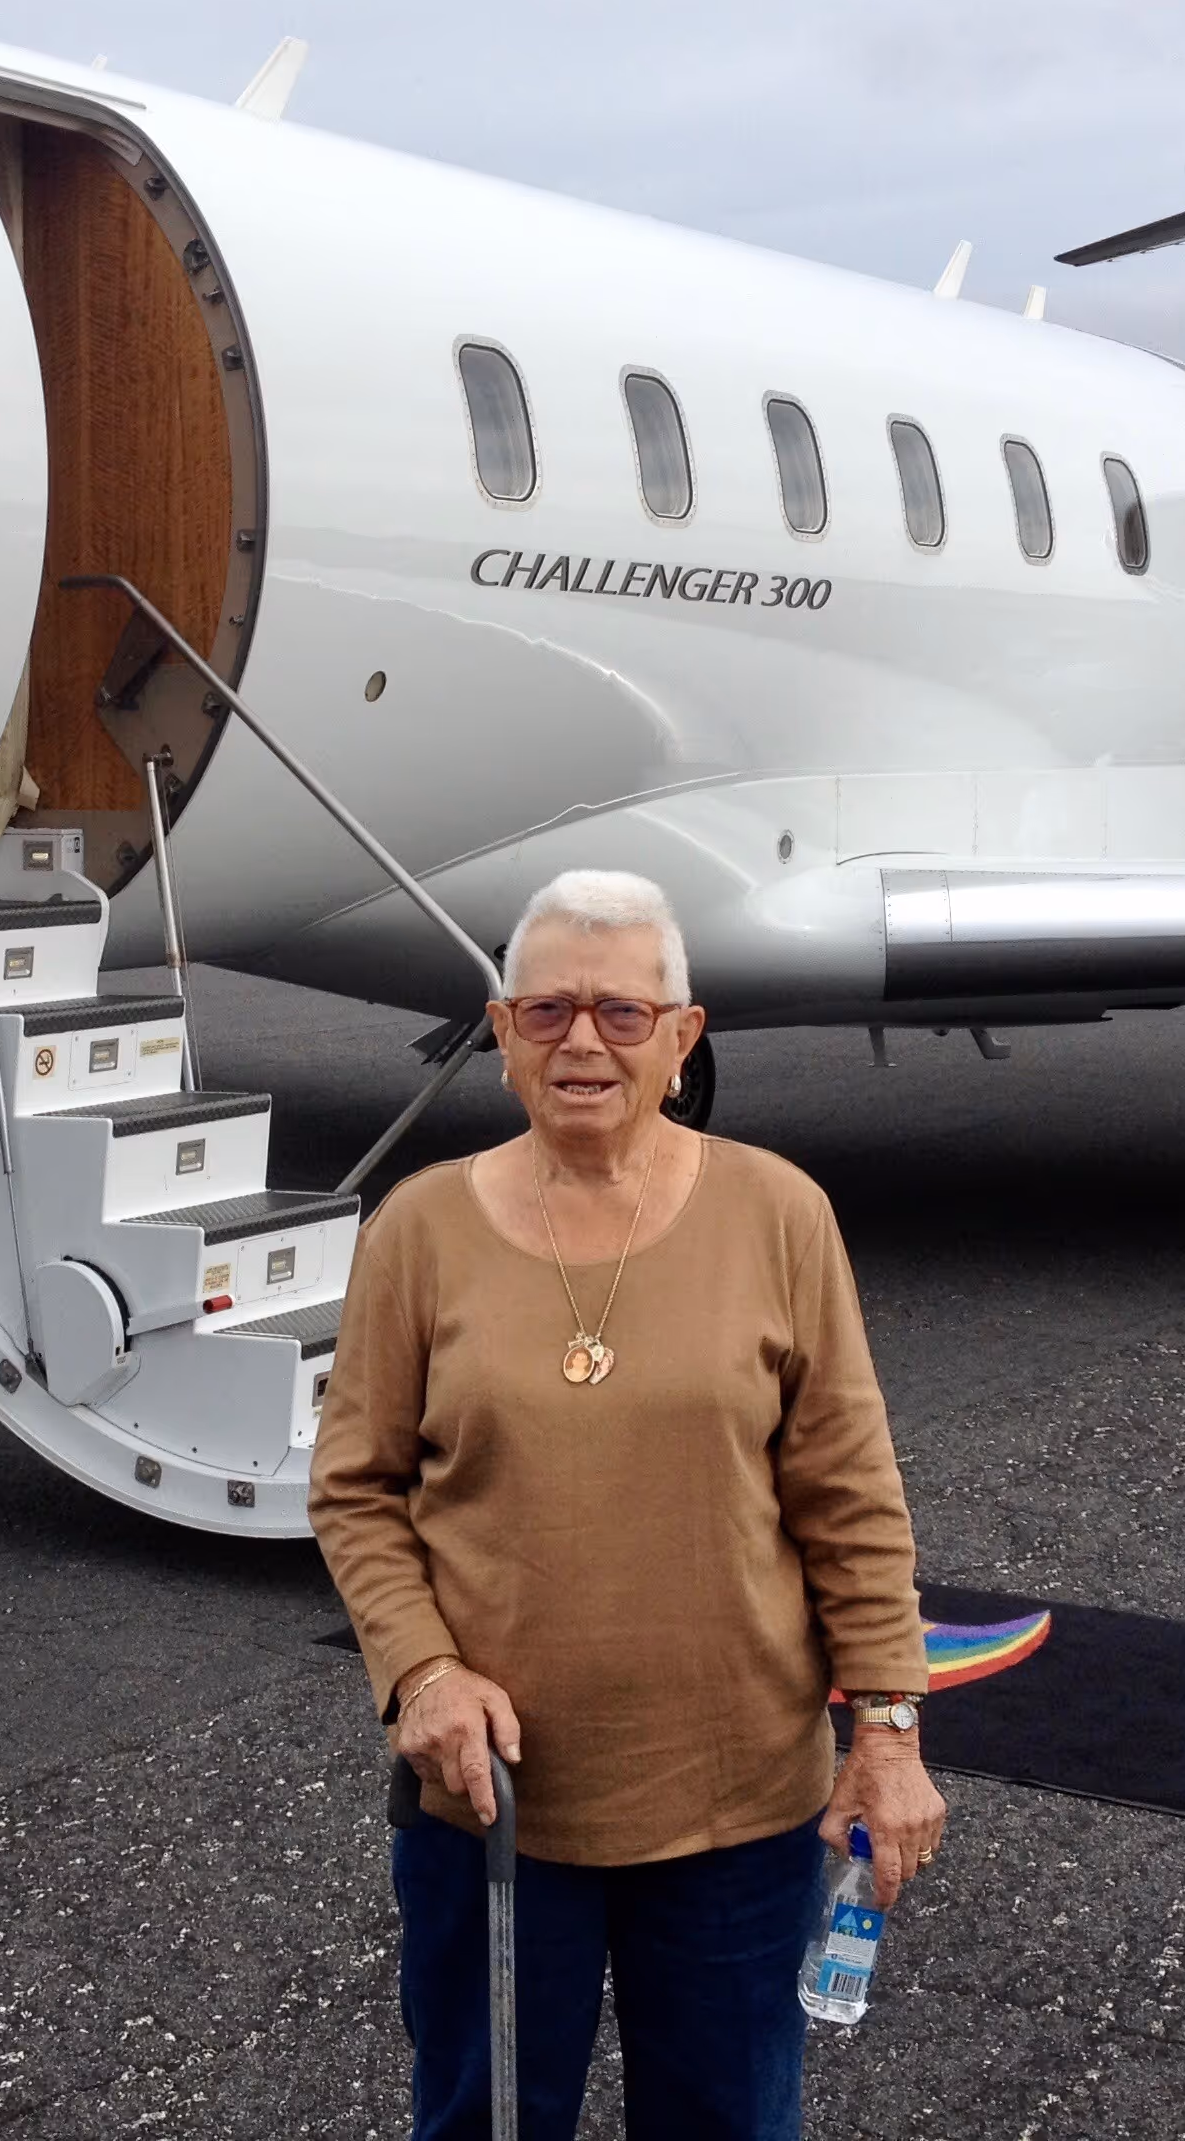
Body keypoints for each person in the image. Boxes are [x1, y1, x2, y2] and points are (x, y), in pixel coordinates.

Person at [311, 868, 942, 2141]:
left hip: (738, 1811)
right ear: (500, 1034)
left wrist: (886, 1732)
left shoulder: (780, 1213)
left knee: (724, 2122)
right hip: (489, 1804)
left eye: (622, 1013)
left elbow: (850, 1494)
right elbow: (358, 1488)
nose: (583, 1041)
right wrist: (421, 1673)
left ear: (683, 1037)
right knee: (486, 2120)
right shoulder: (420, 1228)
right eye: (545, 1012)